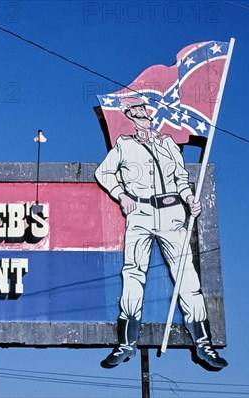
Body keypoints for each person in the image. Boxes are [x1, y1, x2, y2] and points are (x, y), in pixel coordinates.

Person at [94, 96, 227, 370]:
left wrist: (190, 198)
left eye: (144, 109)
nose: (142, 114)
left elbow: (180, 178)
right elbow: (103, 172)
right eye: (136, 111)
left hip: (172, 212)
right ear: (129, 116)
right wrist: (121, 195)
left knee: (186, 274)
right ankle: (126, 343)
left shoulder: (168, 143)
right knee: (132, 273)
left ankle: (203, 343)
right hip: (140, 212)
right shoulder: (124, 145)